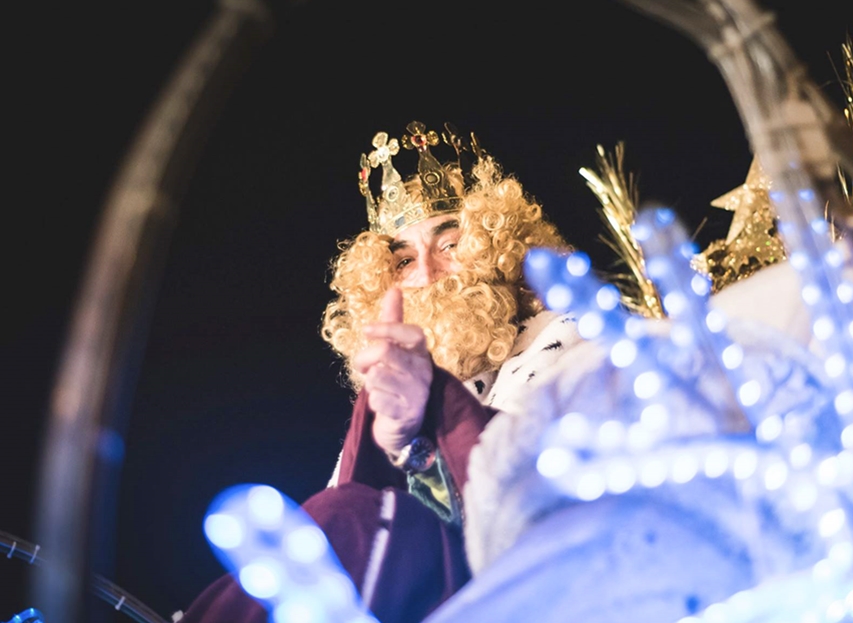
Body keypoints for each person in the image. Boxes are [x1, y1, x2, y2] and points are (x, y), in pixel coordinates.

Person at [177, 121, 582, 623]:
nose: (428, 275)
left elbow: (544, 499)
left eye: (450, 243)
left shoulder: (567, 339)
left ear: (500, 248)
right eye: (404, 259)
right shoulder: (389, 386)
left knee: (347, 519)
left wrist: (422, 428)